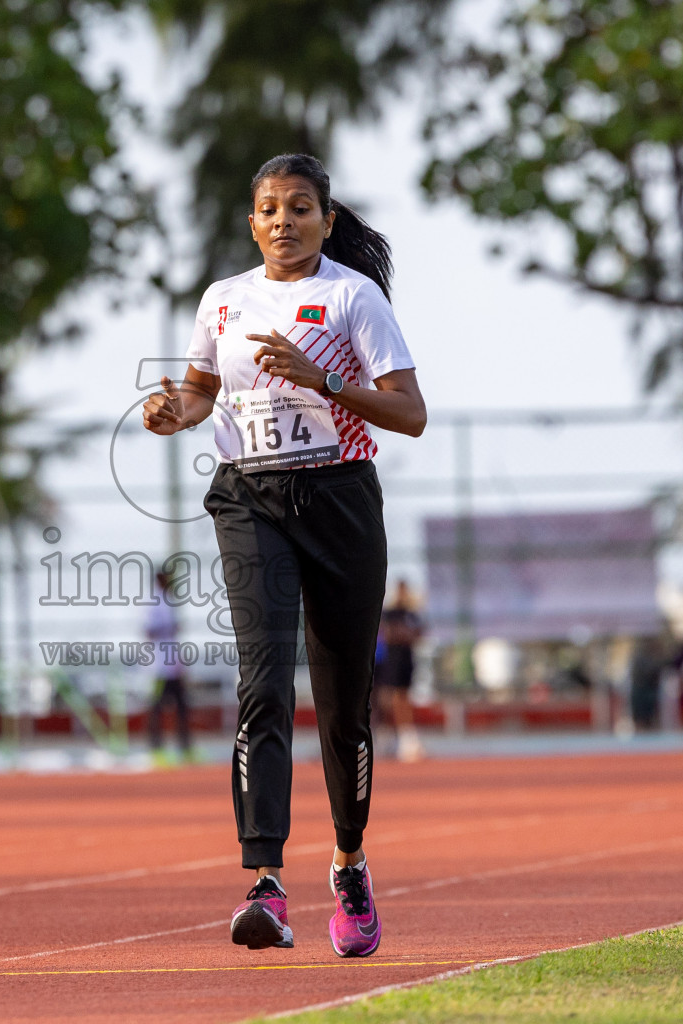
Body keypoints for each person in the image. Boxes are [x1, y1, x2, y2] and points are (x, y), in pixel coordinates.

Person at [142, 153, 425, 958]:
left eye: (300, 208)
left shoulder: (351, 297)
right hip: (250, 499)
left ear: (327, 221)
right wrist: (175, 412)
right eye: (268, 208)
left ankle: (348, 862)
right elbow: (200, 391)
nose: (282, 221)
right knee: (262, 682)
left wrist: (323, 382)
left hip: (339, 500)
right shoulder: (223, 301)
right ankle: (265, 884)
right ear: (251, 219)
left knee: (342, 707)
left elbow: (411, 412)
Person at [145, 570, 193, 762]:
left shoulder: (169, 601)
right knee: (156, 708)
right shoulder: (153, 602)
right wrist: (168, 628)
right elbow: (148, 631)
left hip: (173, 666)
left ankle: (185, 748)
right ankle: (156, 749)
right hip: (159, 668)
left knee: (182, 707)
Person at [378, 580, 425, 762]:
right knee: (389, 699)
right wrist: (404, 634)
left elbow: (419, 633)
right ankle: (392, 736)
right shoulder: (390, 613)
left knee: (402, 697)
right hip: (392, 661)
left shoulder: (411, 613)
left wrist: (405, 634)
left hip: (407, 661)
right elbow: (388, 633)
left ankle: (405, 738)